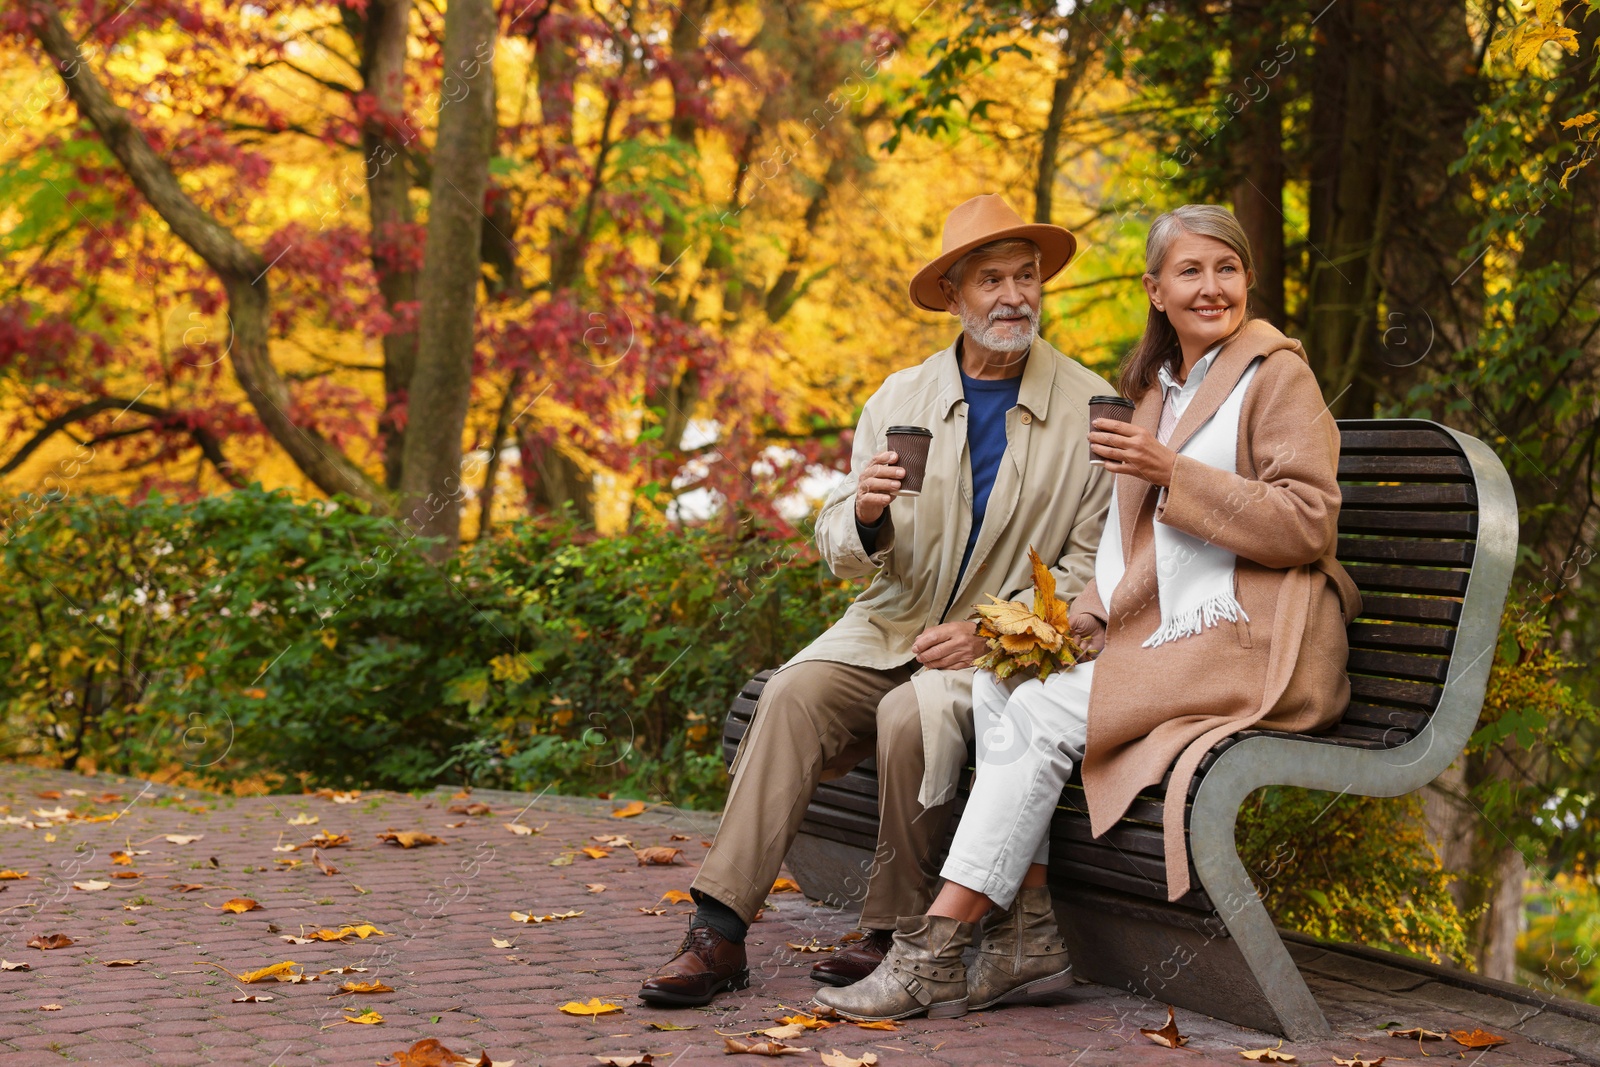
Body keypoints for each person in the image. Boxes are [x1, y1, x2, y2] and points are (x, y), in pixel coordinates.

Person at [815, 203, 1362, 1022]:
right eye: (1190, 271)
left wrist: (1175, 471)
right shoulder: (1157, 388)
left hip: (1253, 641)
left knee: (1038, 713)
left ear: (1247, 278)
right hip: (1168, 635)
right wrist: (1088, 615)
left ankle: (928, 951)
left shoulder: (1277, 373)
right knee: (1010, 682)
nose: (1211, 287)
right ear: (1155, 290)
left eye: (1226, 269)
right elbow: (1128, 546)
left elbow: (1309, 520)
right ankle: (1029, 929)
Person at [636, 194, 1113, 1007]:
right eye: (991, 279)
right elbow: (836, 549)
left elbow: (1090, 565)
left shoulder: (1092, 406)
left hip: (996, 655)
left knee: (911, 714)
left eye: (1026, 276)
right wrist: (864, 513)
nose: (1013, 295)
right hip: (886, 627)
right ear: (955, 297)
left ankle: (891, 933)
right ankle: (717, 931)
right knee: (787, 694)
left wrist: (989, 634)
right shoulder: (901, 399)